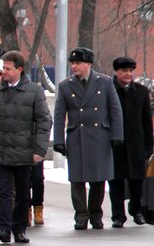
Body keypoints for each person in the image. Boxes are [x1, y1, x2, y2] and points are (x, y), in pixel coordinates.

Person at [0, 51, 52, 243]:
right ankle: (3, 228)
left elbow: (44, 121)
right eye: (3, 68)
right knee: (1, 192)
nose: (4, 72)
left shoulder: (34, 91)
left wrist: (39, 150)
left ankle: (19, 229)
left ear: (19, 69)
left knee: (22, 192)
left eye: (8, 69)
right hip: (0, 150)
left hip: (24, 151)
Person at [53, 47, 123, 230]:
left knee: (98, 179)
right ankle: (81, 215)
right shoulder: (65, 85)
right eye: (72, 63)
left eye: (78, 63)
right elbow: (59, 115)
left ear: (88, 64)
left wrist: (117, 135)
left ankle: (95, 214)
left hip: (100, 136)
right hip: (77, 137)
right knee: (77, 179)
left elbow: (115, 111)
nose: (74, 67)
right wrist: (58, 140)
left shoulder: (105, 83)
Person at [107, 56, 152, 227]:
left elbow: (147, 121)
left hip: (136, 143)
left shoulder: (141, 91)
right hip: (116, 143)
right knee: (116, 181)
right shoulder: (109, 90)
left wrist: (149, 145)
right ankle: (118, 215)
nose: (127, 74)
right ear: (116, 72)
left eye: (130, 71)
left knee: (137, 180)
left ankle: (136, 210)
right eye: (124, 71)